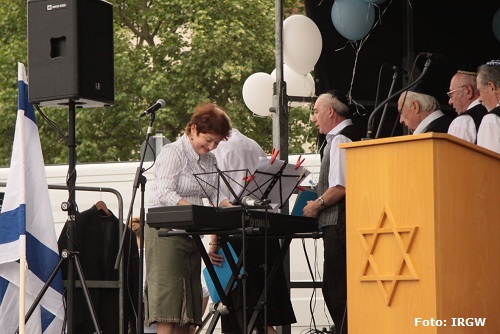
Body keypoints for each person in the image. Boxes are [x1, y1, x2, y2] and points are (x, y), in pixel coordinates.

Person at [144, 103, 232, 334]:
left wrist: (231, 207)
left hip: (190, 232)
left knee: (189, 305)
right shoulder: (173, 152)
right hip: (165, 231)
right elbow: (165, 192)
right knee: (169, 301)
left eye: (216, 143)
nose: (211, 147)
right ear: (193, 129)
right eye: (208, 139)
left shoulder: (209, 160)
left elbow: (215, 193)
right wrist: (194, 210)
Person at [211, 129, 297, 333]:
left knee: (242, 312)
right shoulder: (253, 144)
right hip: (263, 231)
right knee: (262, 313)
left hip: (236, 232)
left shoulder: (219, 148)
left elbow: (218, 197)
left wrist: (213, 240)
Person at [302, 91, 363, 334]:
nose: (313, 118)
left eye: (316, 111)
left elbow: (340, 187)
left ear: (330, 111)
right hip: (346, 223)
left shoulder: (339, 140)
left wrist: (315, 204)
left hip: (339, 223)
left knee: (336, 289)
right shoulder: (348, 136)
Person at [447, 65, 487, 143]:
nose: (450, 102)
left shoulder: (462, 122)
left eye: (451, 94)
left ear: (468, 91)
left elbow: (454, 154)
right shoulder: (494, 112)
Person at [476, 60, 500, 154]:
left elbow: (489, 166)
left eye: (480, 91)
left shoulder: (492, 120)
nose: (479, 99)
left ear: (491, 87)